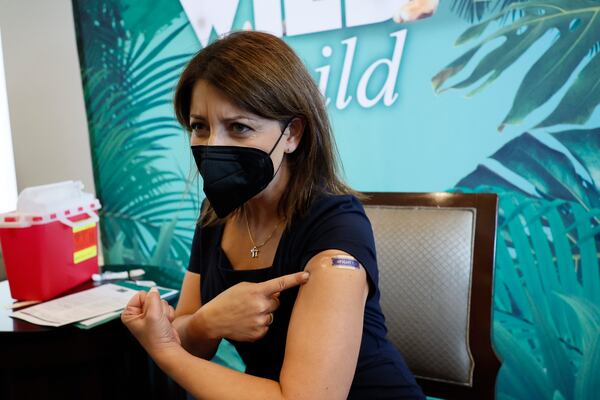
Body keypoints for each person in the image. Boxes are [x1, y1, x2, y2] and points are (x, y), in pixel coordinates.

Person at [122, 30, 425, 400]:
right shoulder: (216, 214)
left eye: (239, 128)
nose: (212, 145)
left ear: (293, 134)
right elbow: (191, 337)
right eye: (200, 126)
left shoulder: (336, 226)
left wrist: (164, 350)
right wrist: (209, 320)